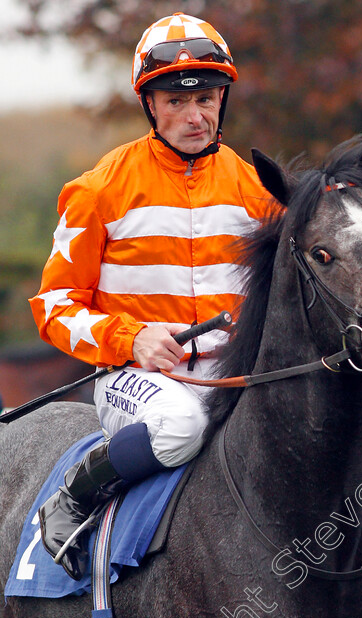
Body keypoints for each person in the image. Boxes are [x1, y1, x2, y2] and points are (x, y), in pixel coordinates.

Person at [29, 12, 271, 580]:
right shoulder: (98, 191)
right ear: (150, 105)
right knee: (182, 426)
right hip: (136, 380)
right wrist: (132, 338)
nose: (195, 116)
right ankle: (77, 492)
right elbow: (53, 307)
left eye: (207, 99)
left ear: (222, 100)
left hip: (230, 375)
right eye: (175, 102)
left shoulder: (259, 195)